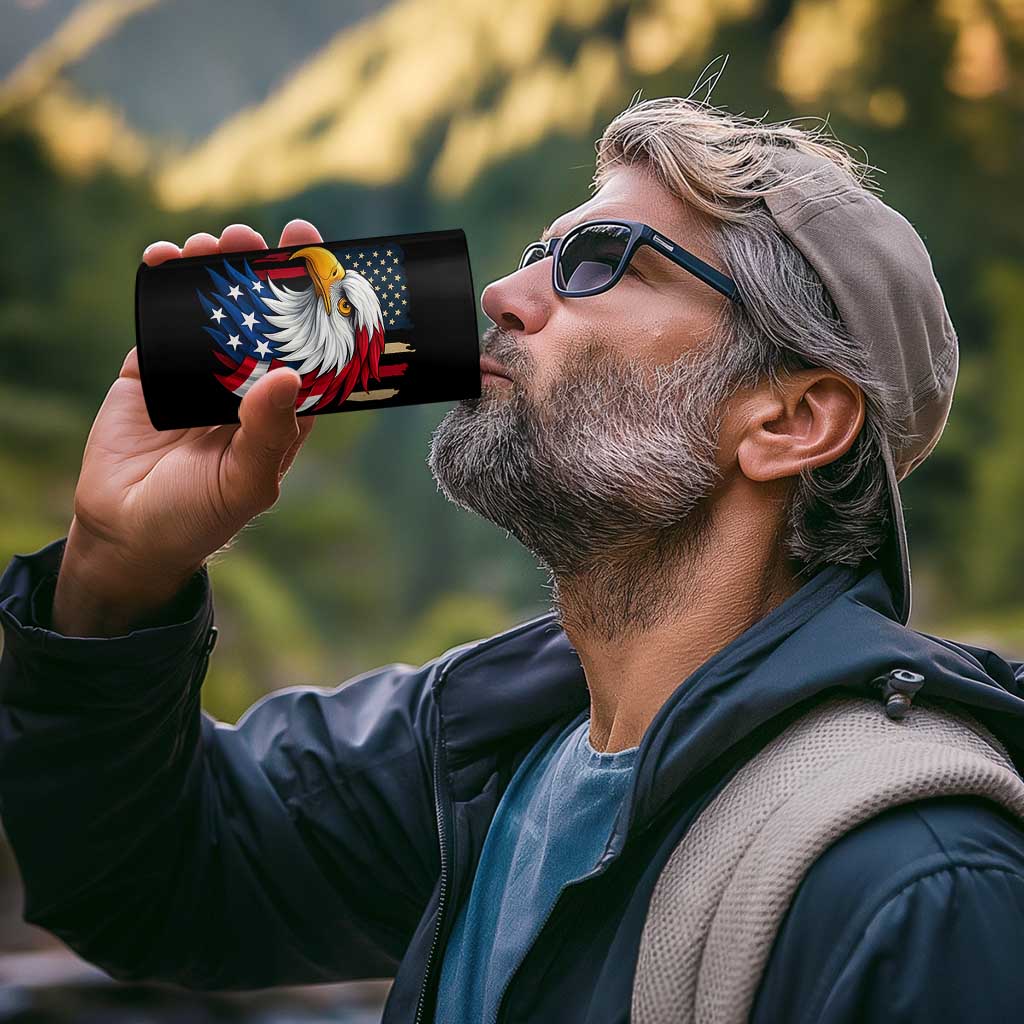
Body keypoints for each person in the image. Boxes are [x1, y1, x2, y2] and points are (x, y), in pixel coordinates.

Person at [2, 94, 1024, 1024]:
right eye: (541, 252)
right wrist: (116, 574)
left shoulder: (918, 887)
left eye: (601, 261)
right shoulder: (482, 746)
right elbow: (150, 879)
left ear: (790, 421)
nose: (502, 292)